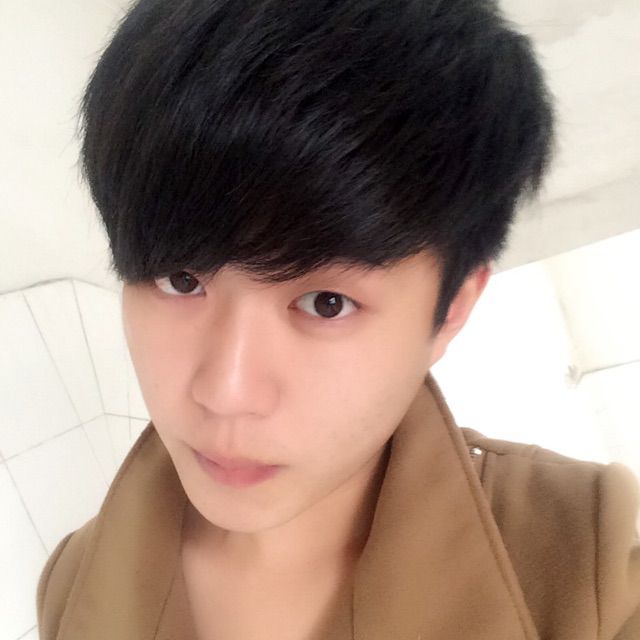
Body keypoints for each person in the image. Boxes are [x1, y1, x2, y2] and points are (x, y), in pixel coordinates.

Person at [37, 0, 640, 638]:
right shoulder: (72, 582)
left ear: (452, 309)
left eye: (327, 302)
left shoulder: (594, 569)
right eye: (179, 279)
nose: (226, 392)